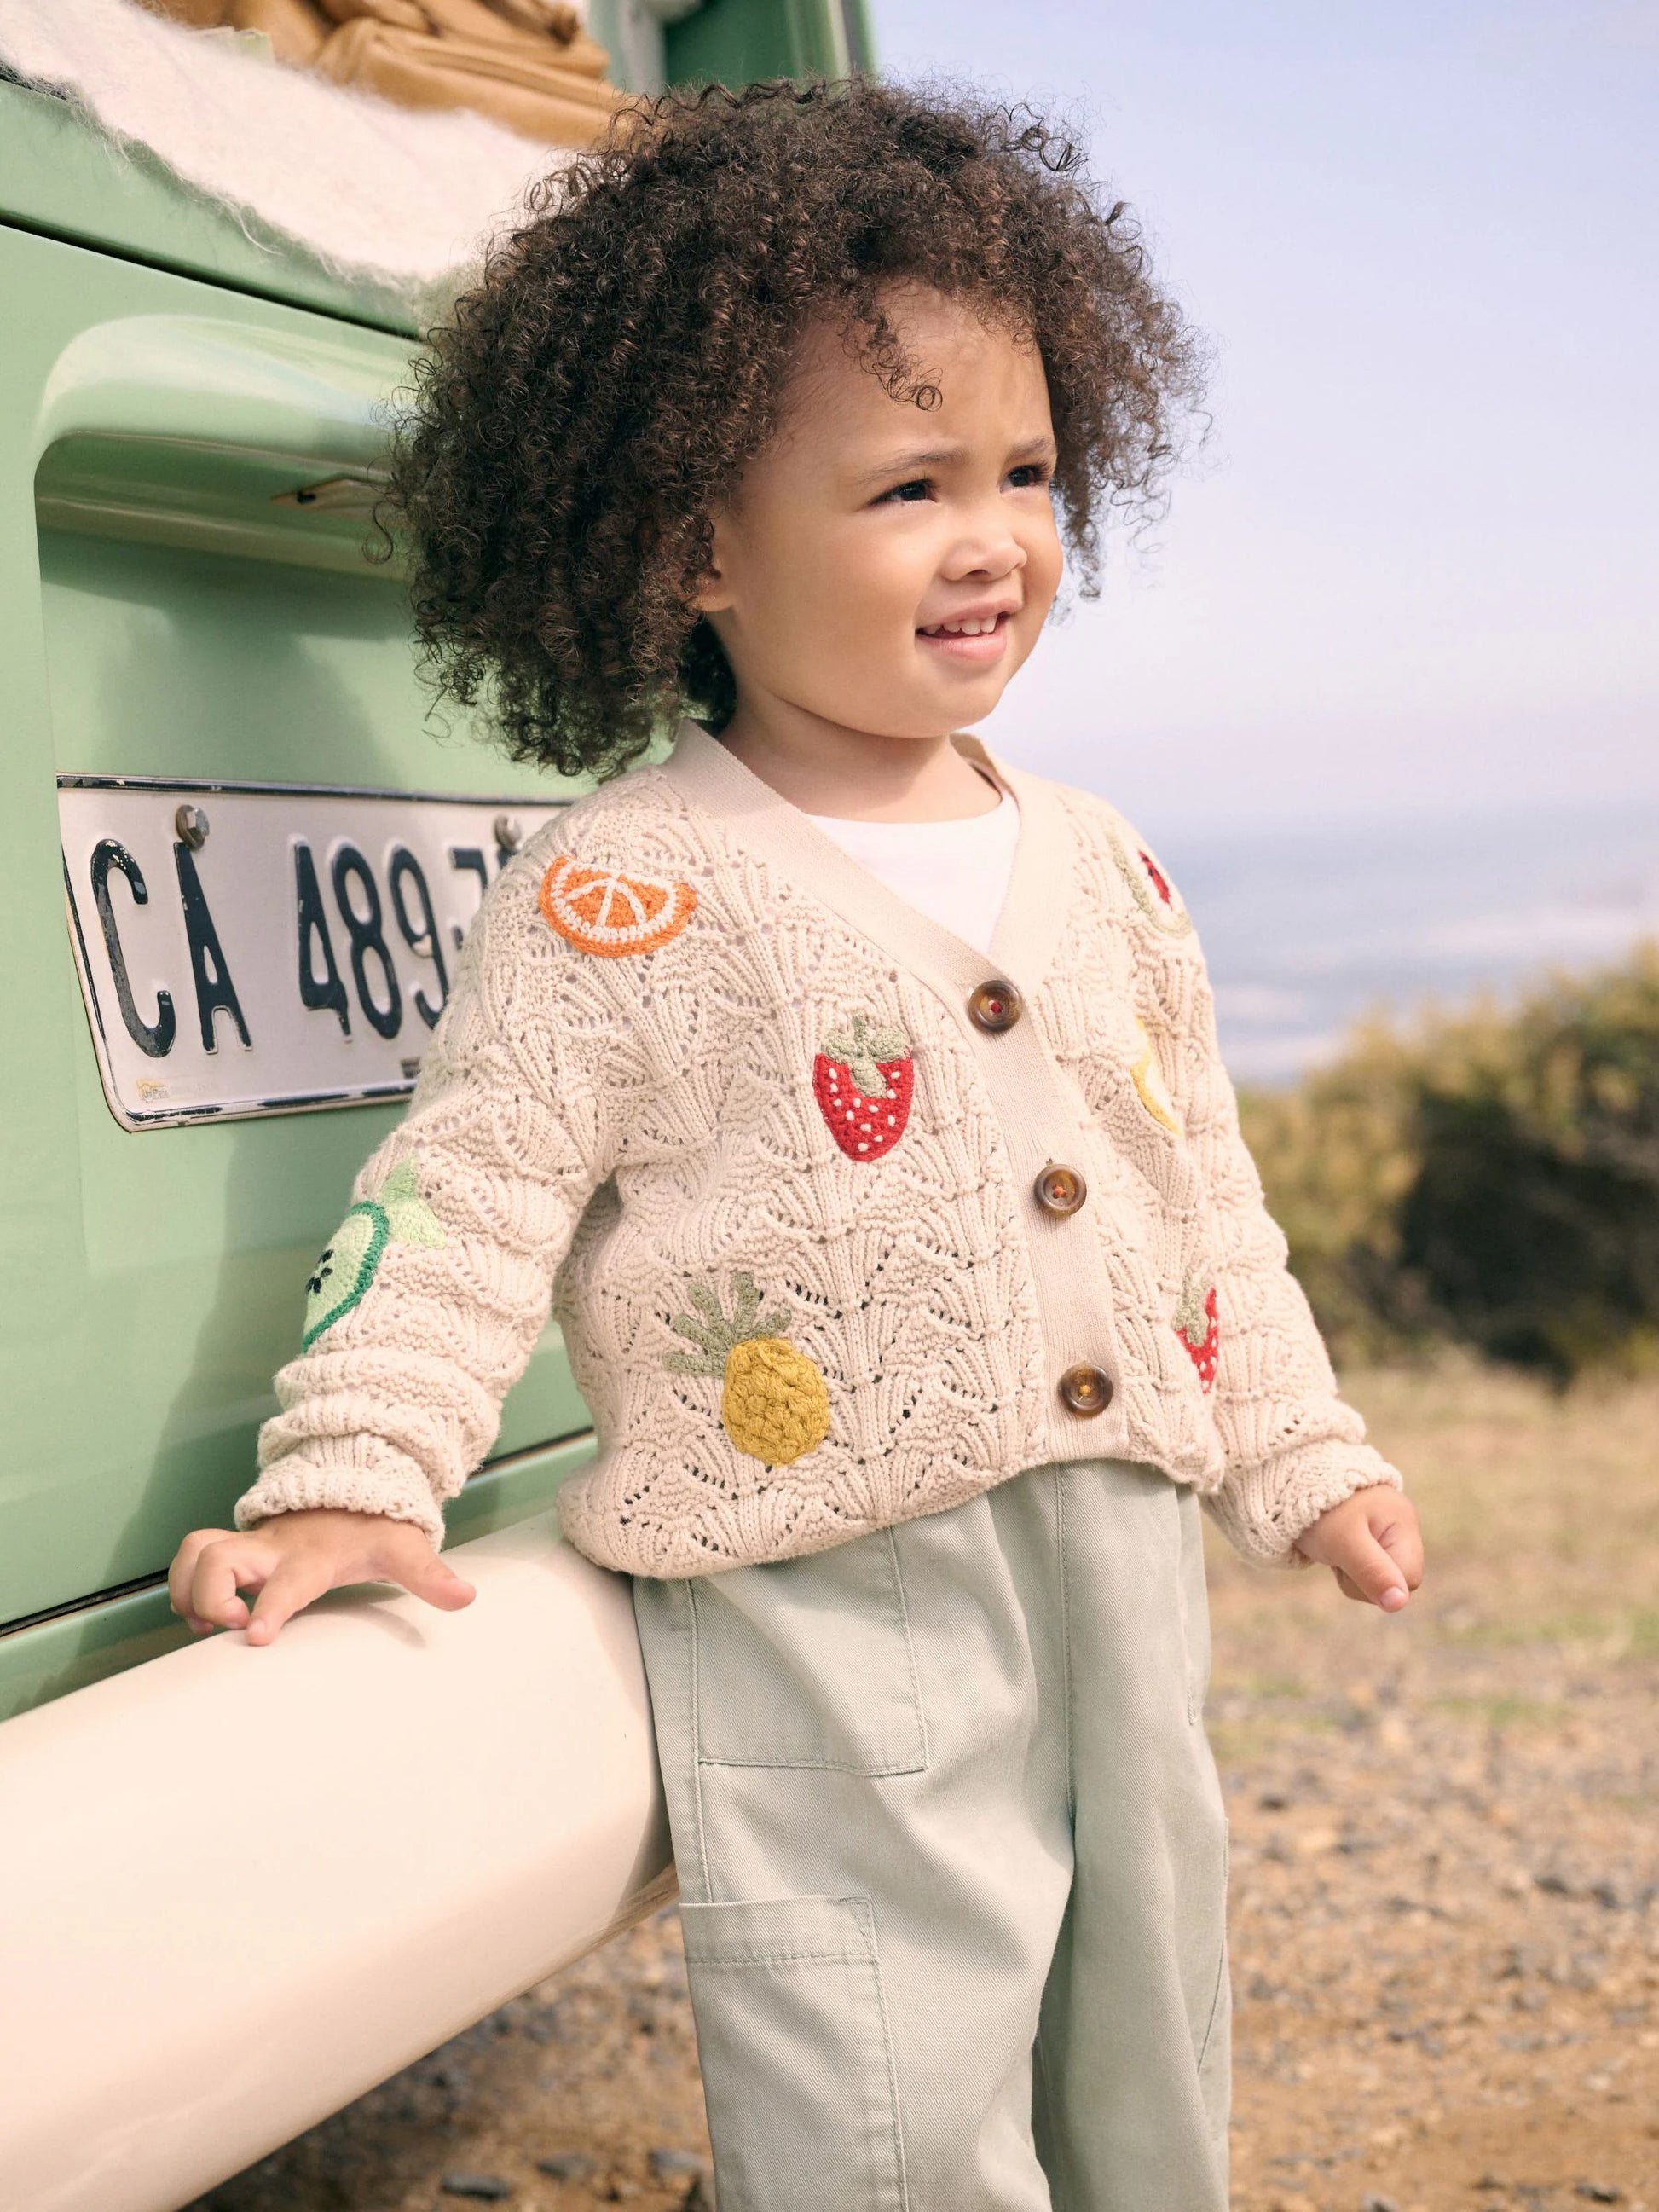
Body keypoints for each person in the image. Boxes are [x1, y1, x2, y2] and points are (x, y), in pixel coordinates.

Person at [166, 78, 1425, 2210]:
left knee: (1143, 2034)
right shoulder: (628, 894)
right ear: (698, 546)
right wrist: (355, 1476)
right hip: (825, 1587)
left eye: (1024, 470)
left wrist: (1304, 1451)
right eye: (908, 483)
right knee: (884, 2074)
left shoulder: (1102, 864)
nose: (992, 535)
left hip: (1117, 1553)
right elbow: (459, 1201)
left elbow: (1203, 1199)